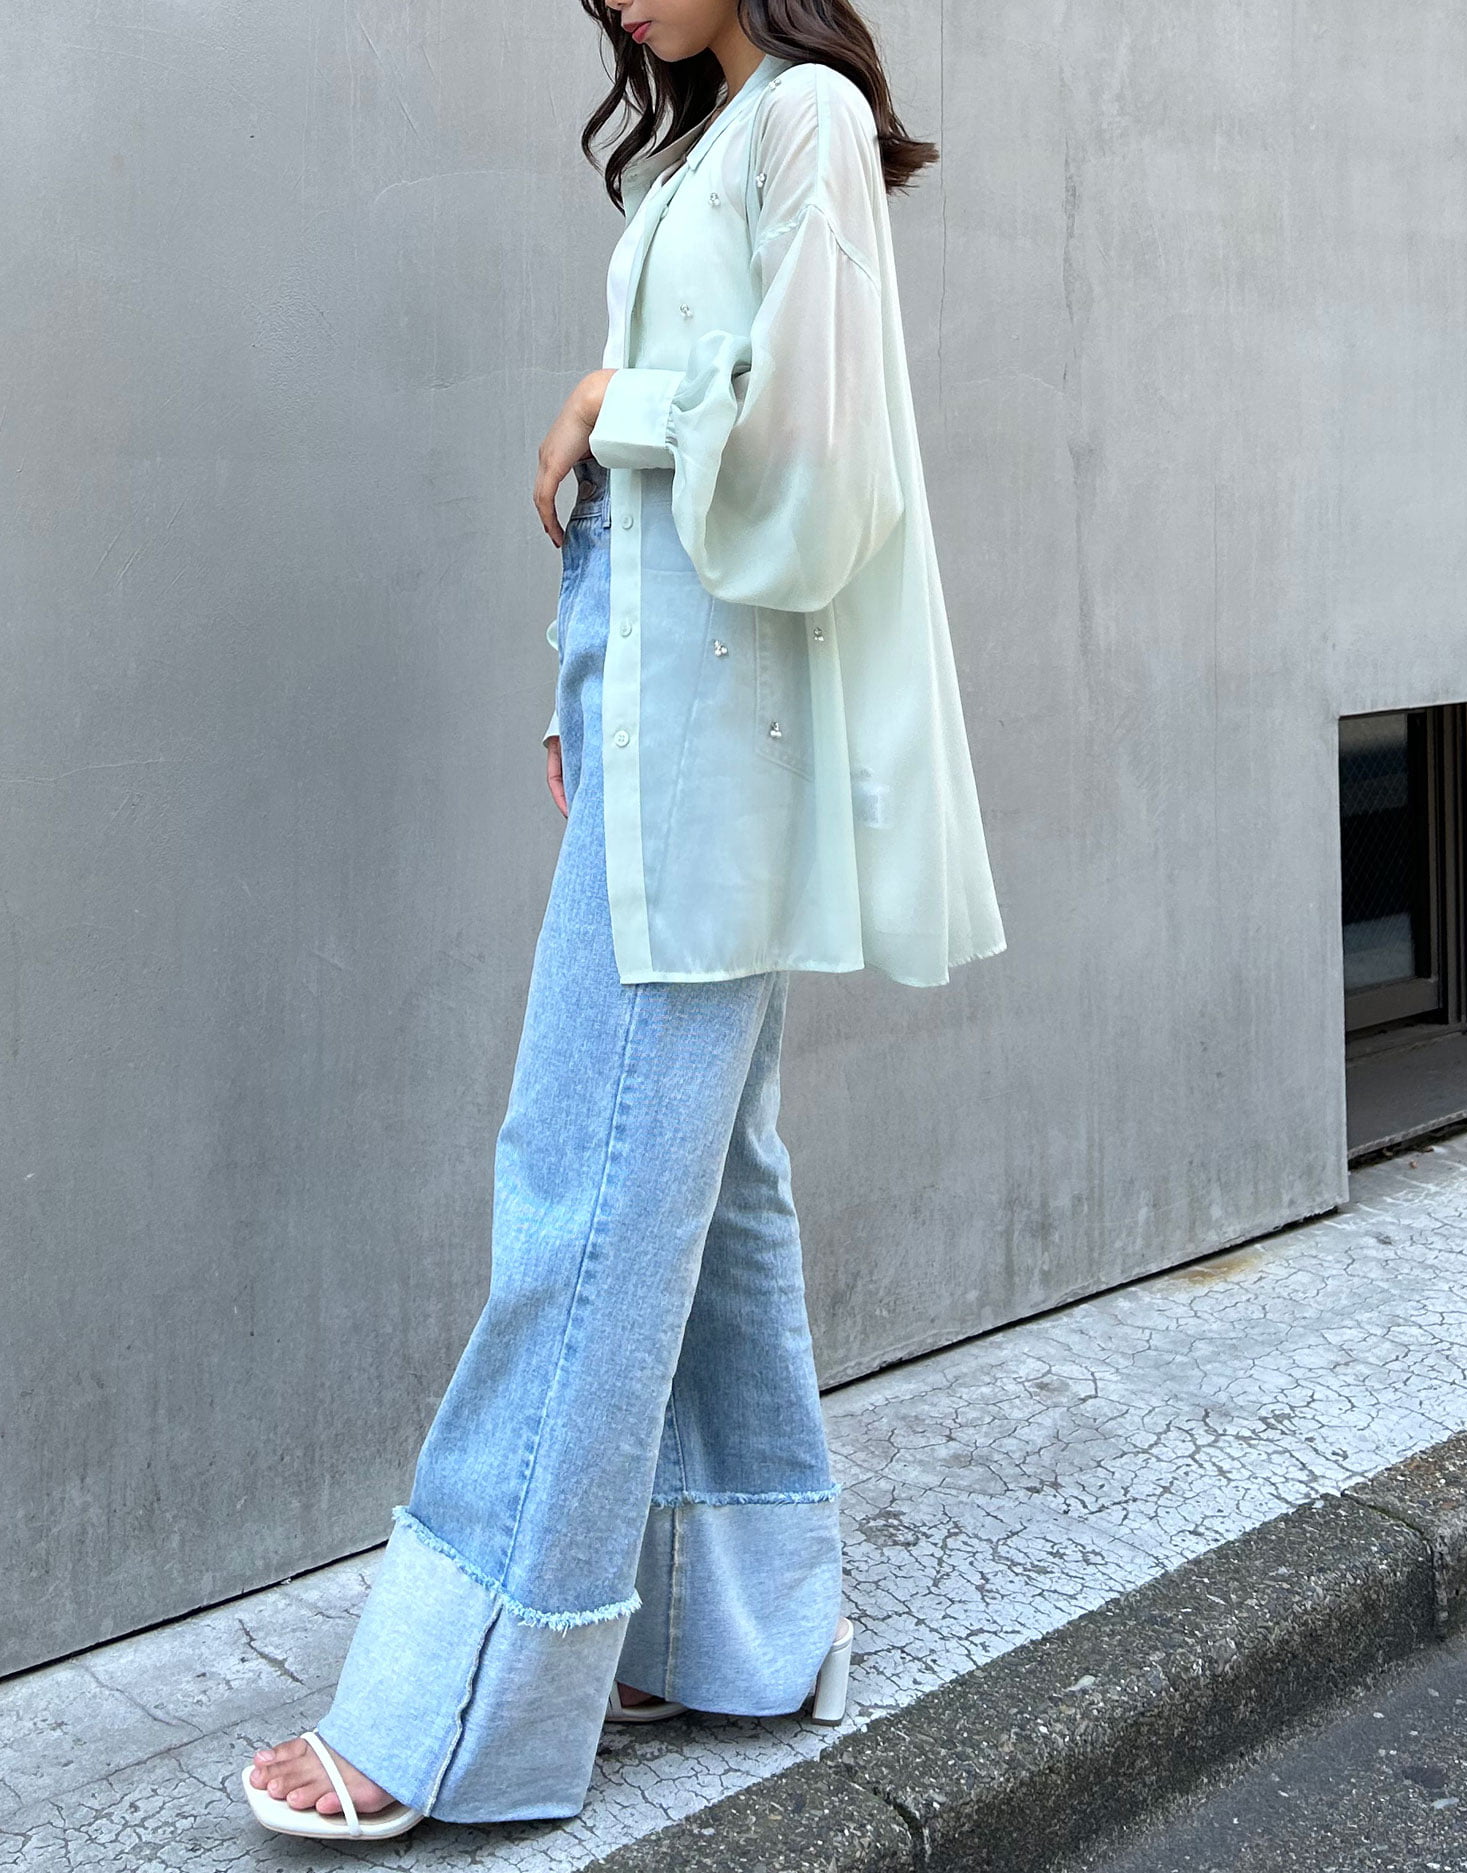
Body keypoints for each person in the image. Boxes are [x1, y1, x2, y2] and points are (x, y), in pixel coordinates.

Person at [242, 0, 1005, 1840]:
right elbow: (661, 530)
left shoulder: (806, 121)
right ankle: (738, 1632)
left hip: (709, 763)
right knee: (709, 1196)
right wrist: (576, 691)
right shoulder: (715, 144)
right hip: (654, 730)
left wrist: (613, 402)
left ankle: (453, 1713)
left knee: (579, 1193)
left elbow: (815, 465)